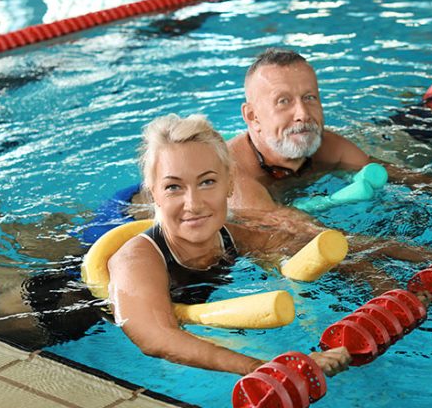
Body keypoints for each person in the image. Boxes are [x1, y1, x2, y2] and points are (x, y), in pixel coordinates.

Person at [107, 113, 351, 377]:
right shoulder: (137, 260)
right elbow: (157, 339)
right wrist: (269, 368)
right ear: (153, 193)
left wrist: (378, 265)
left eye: (207, 182)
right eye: (173, 187)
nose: (194, 204)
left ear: (230, 184)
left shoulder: (233, 237)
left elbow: (301, 246)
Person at [227, 48, 432, 234]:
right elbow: (305, 234)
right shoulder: (235, 179)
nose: (302, 114)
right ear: (252, 116)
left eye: (310, 98)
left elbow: (402, 176)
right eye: (283, 102)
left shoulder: (325, 146)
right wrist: (427, 258)